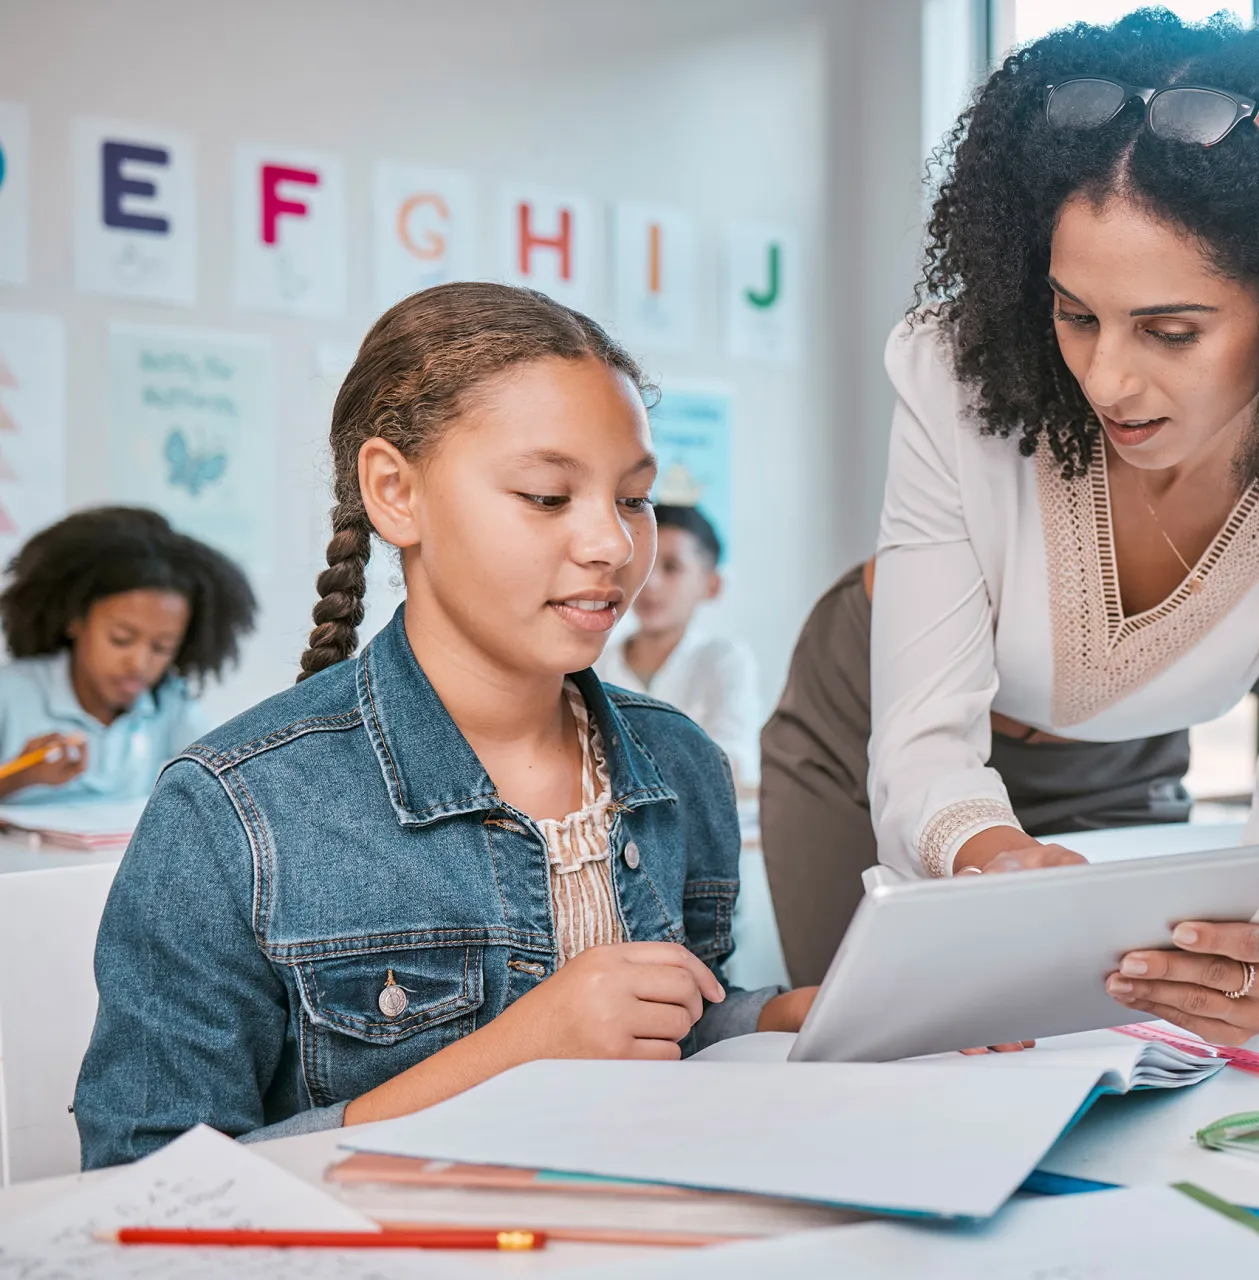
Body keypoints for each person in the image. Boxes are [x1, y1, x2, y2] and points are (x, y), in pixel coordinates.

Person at [761, 10, 1259, 1041]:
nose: (1106, 377)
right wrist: (992, 853)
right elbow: (923, 748)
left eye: (1171, 329)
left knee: (1131, 1065)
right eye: (1075, 313)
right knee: (889, 1053)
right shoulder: (958, 373)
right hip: (868, 720)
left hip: (1123, 760)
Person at [76, 283, 814, 1167]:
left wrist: (770, 1019)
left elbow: (661, 1029)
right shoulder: (229, 812)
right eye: (548, 496)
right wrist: (514, 1056)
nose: (614, 547)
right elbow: (142, 1182)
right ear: (395, 491)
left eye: (633, 499)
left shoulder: (681, 764)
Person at [0, 506, 255, 804]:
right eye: (121, 639)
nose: (139, 664)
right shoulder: (12, 693)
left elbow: (227, 783)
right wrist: (21, 776)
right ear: (76, 620)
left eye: (162, 647)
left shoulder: (170, 705)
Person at [594, 504, 760, 786]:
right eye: (643, 564)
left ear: (712, 585)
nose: (651, 583)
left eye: (672, 567)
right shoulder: (595, 663)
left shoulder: (723, 660)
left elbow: (733, 761)